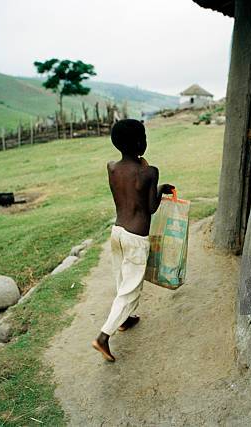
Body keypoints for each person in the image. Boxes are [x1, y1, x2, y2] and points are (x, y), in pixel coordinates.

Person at [92, 119, 173, 362]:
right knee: (131, 290)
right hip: (137, 238)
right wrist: (159, 189)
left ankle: (125, 319)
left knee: (122, 280)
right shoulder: (149, 172)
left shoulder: (111, 167)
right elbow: (150, 207)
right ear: (139, 142)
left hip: (117, 233)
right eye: (144, 136)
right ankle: (103, 337)